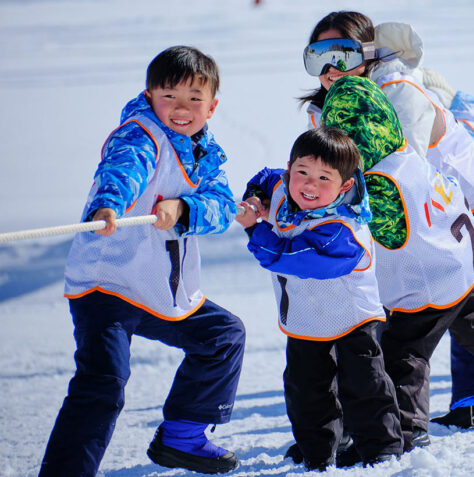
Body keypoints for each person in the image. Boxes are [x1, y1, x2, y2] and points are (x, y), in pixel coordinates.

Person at [303, 13, 474, 430]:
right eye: (317, 57)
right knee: (468, 323)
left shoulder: (397, 91)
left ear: (368, 54)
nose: (331, 68)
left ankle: (401, 428)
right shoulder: (333, 107)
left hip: (438, 213)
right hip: (411, 216)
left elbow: (403, 168)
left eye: (343, 54)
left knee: (404, 330)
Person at [39, 46, 245, 476]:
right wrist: (108, 206)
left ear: (212, 106)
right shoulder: (139, 134)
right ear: (150, 95)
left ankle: (182, 438)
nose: (181, 109)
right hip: (107, 285)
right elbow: (122, 170)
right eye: (169, 96)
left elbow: (222, 207)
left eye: (194, 99)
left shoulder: (207, 153)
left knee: (222, 335)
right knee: (104, 383)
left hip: (157, 287)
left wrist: (184, 208)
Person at [235, 127, 403, 470]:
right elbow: (265, 178)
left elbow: (289, 256)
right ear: (290, 169)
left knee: (364, 383)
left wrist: (255, 227)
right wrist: (254, 197)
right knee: (306, 388)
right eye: (302, 173)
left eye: (323, 178)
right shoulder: (284, 188)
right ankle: (317, 450)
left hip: (353, 317)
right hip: (304, 316)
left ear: (344, 186)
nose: (309, 186)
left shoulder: (343, 229)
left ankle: (382, 448)